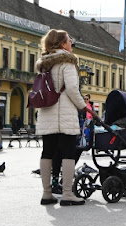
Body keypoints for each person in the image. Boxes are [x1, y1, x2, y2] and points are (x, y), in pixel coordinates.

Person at [35, 29, 96, 206]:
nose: (71, 43)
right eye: (69, 40)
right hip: (64, 115)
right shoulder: (67, 63)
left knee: (47, 151)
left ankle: (47, 194)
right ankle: (68, 194)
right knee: (68, 152)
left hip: (47, 112)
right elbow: (71, 89)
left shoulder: (44, 64)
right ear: (62, 44)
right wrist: (84, 106)